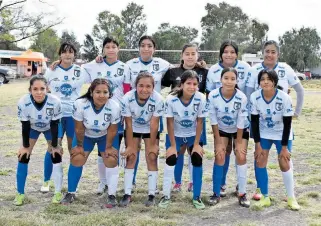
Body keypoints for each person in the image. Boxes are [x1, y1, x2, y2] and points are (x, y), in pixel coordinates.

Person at [245, 40, 304, 200]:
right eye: (267, 51)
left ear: (278, 54)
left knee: (284, 158)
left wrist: (296, 113)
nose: (270, 54)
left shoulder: (286, 69)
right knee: (259, 156)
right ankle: (261, 191)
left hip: (281, 122)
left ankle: (291, 196)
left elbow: (300, 90)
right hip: (261, 123)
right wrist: (250, 119)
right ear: (262, 53)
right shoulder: (254, 70)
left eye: (273, 52)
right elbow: (248, 93)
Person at [60, 78, 121, 207]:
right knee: (77, 157)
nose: (101, 95)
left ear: (110, 94)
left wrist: (109, 147)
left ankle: (111, 194)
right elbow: (79, 127)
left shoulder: (114, 106)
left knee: (111, 159)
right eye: (98, 92)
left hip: (105, 135)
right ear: (91, 92)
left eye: (105, 92)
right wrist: (80, 146)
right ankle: (71, 192)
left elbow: (112, 129)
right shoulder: (80, 104)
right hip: (86, 135)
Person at [82, 37, 130, 195]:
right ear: (103, 50)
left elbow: (128, 89)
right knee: (101, 151)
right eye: (107, 47)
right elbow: (79, 69)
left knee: (114, 149)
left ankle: (116, 182)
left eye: (113, 46)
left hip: (118, 113)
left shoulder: (125, 67)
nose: (110, 49)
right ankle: (103, 183)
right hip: (98, 113)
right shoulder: (95, 64)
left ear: (118, 49)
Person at [250, 69, 300, 210]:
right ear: (259, 82)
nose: (265, 82)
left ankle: (291, 197)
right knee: (260, 160)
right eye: (262, 79)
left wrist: (284, 148)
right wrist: (257, 144)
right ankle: (265, 197)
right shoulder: (255, 97)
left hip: (281, 133)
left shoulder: (284, 98)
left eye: (268, 79)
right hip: (264, 132)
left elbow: (288, 123)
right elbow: (254, 122)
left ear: (274, 82)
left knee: (284, 162)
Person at [206, 40, 251, 197]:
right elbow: (212, 118)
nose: (229, 81)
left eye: (233, 79)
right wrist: (218, 142)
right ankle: (217, 191)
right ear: (220, 79)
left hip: (240, 127)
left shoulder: (242, 97)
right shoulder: (213, 94)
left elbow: (240, 122)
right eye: (226, 78)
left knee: (241, 154)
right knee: (220, 154)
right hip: (222, 127)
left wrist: (238, 142)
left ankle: (242, 192)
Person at [161, 43, 208, 193]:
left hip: (195, 117)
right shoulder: (172, 71)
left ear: (197, 56)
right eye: (187, 53)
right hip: (177, 119)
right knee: (178, 152)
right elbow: (159, 85)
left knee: (194, 151)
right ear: (181, 55)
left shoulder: (204, 71)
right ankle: (177, 182)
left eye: (193, 54)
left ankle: (193, 182)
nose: (190, 56)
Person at [43, 43, 89, 192]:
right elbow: (41, 87)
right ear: (60, 54)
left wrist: (100, 59)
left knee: (72, 148)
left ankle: (70, 182)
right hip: (55, 115)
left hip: (73, 115)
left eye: (70, 52)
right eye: (64, 52)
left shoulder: (80, 71)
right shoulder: (51, 70)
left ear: (74, 54)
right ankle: (46, 181)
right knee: (53, 146)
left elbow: (97, 74)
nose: (67, 55)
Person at [14, 75, 62, 206]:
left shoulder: (55, 101)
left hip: (49, 127)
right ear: (30, 90)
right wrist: (25, 146)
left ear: (47, 88)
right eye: (35, 89)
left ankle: (57, 191)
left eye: (42, 88)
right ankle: (20, 193)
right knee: (23, 155)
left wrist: (55, 145)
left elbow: (54, 124)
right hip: (32, 127)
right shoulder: (23, 102)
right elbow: (25, 125)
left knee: (56, 154)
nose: (39, 92)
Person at [119, 72, 164, 207]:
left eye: (148, 86)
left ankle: (151, 194)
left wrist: (152, 144)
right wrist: (130, 146)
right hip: (133, 127)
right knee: (131, 156)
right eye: (141, 86)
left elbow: (155, 123)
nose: (144, 89)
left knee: (151, 156)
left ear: (153, 87)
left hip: (150, 128)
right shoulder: (127, 98)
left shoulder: (158, 99)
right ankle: (127, 193)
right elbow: (128, 123)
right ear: (135, 86)